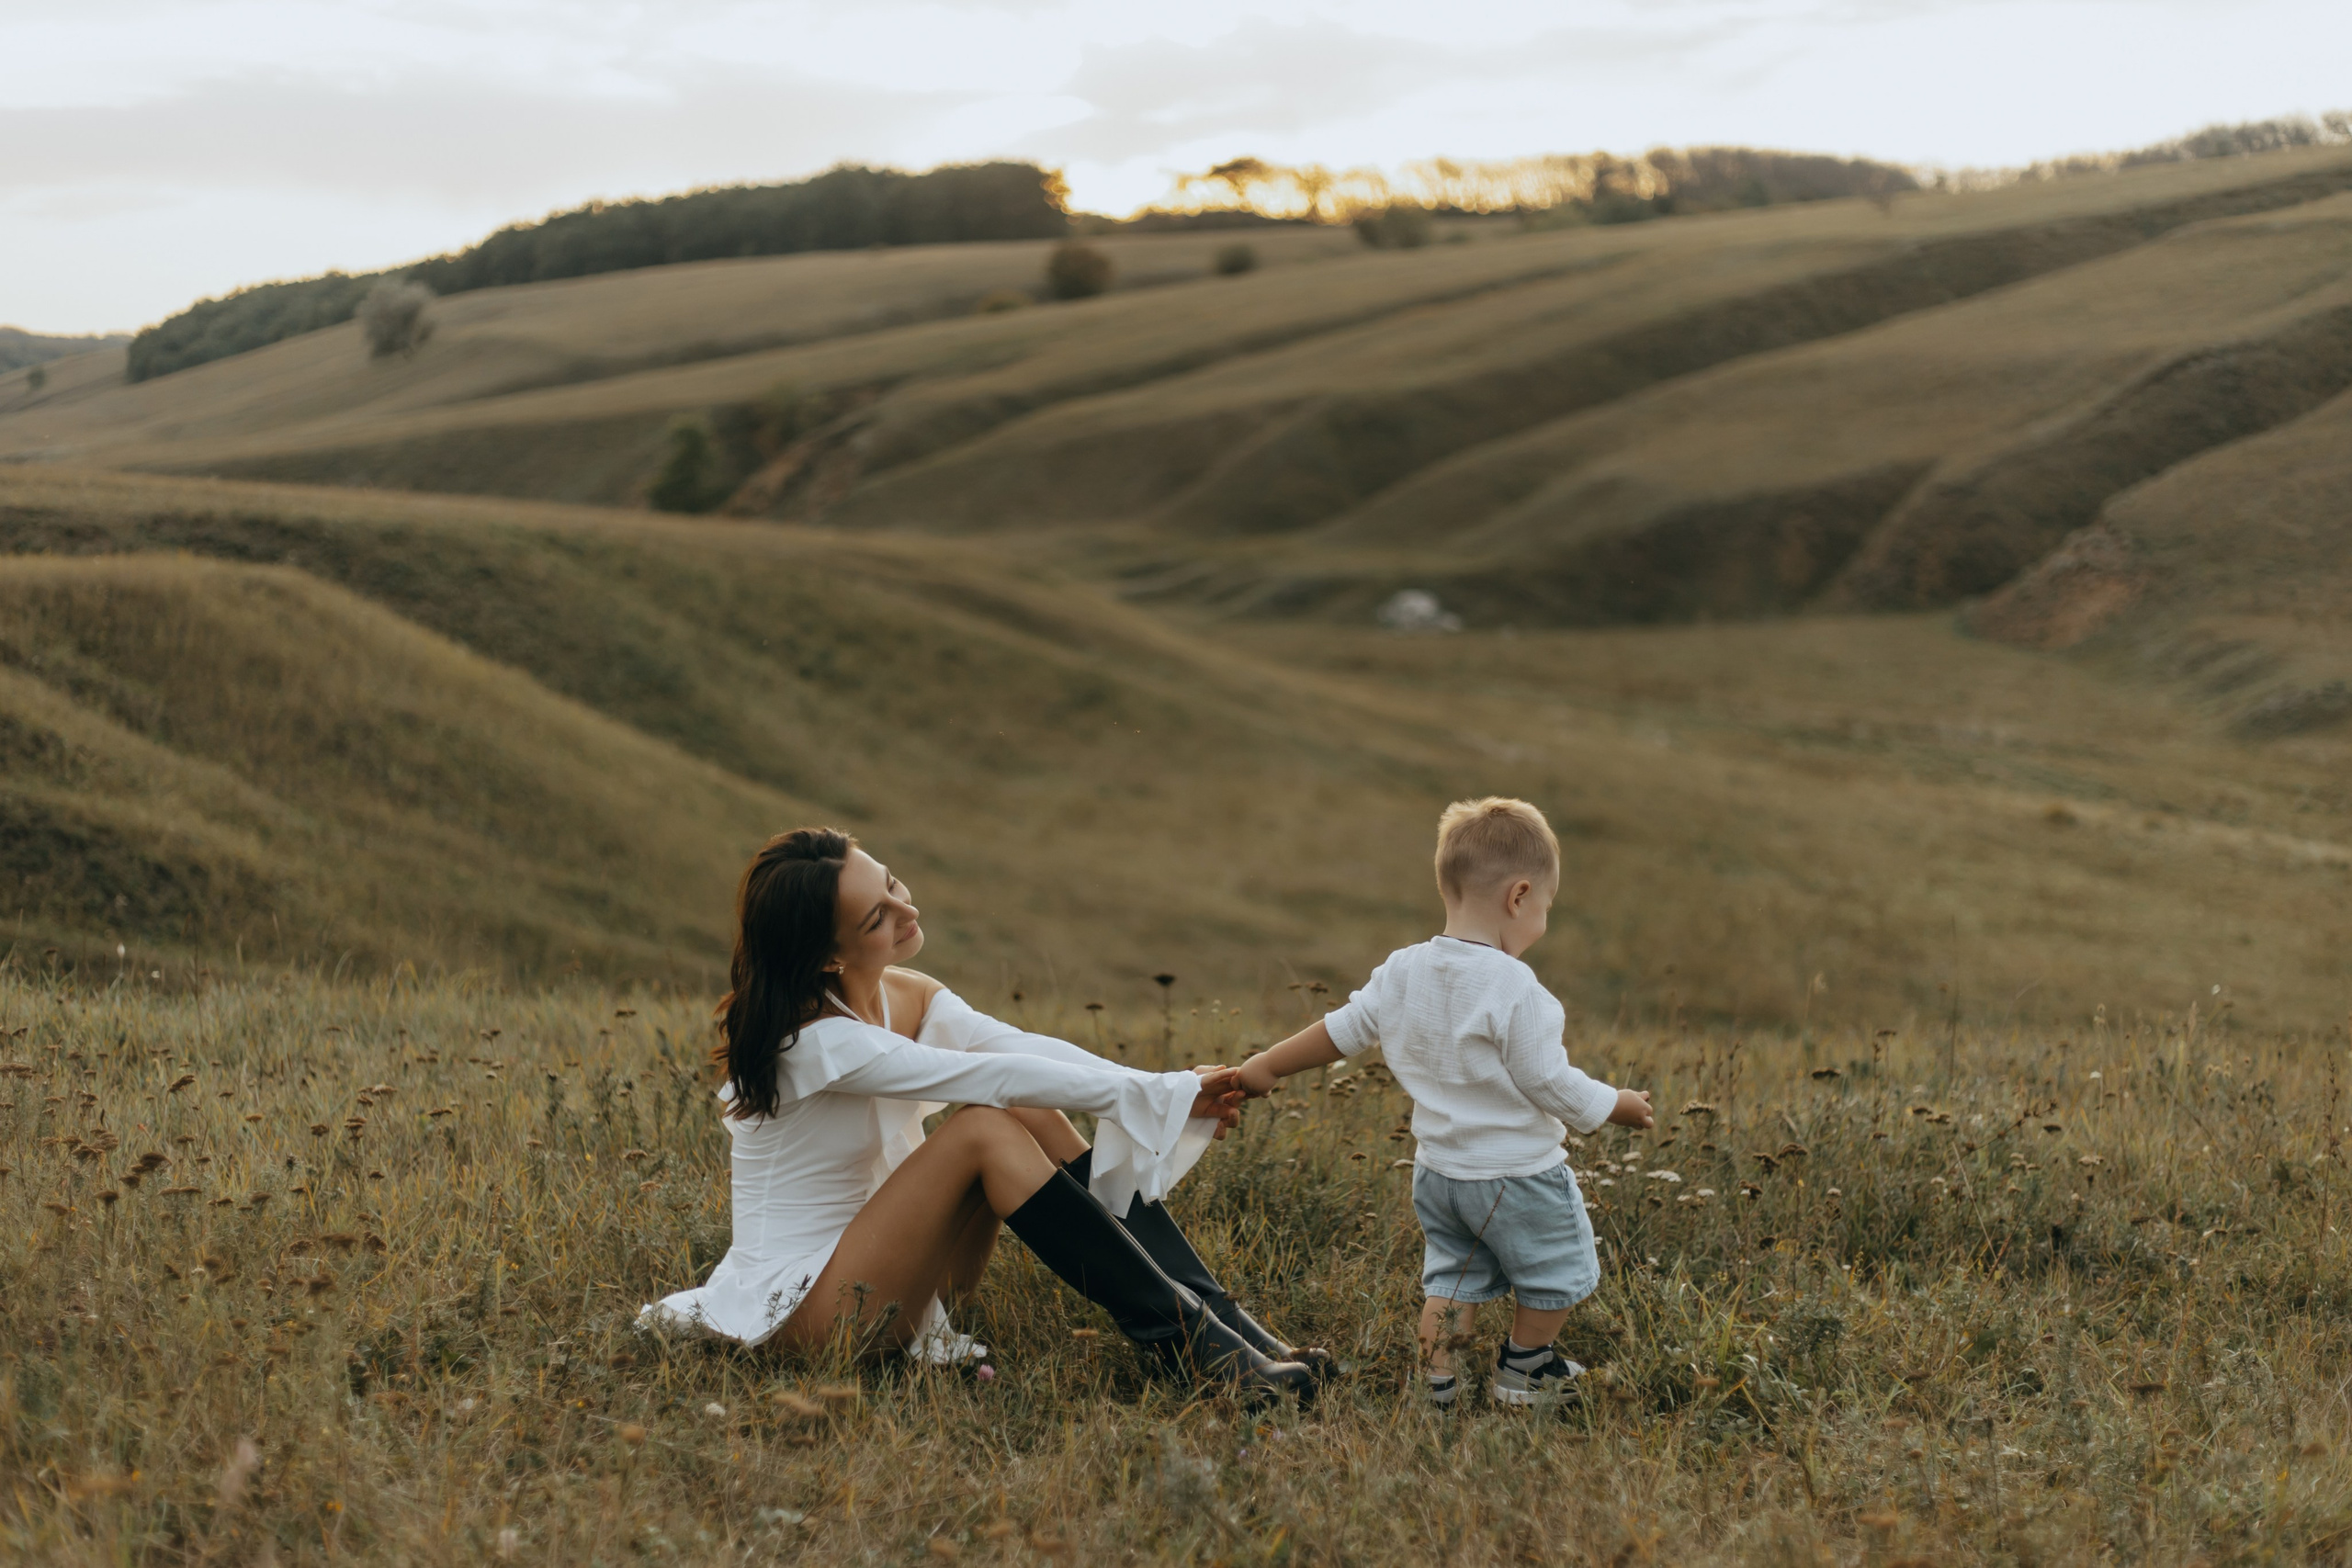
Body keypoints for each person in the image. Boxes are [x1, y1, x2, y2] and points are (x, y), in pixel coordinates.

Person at [638, 827, 1328, 1400]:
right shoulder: (813, 1043)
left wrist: (1165, 1086)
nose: (906, 912)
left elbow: (1019, 1051)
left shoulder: (905, 992)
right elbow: (981, 1074)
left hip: (905, 1275)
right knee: (982, 1124)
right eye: (878, 918)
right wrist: (1161, 1090)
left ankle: (1227, 1325)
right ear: (825, 955)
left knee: (1023, 1103)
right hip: (813, 1310)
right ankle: (1197, 1351)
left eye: (893, 885)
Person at [1237, 797, 1654, 1408]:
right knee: (1557, 1271)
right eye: (1545, 908)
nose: (1542, 922)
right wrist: (1614, 1103)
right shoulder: (1516, 987)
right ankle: (1525, 1371)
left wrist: (1267, 1064)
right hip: (1519, 1176)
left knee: (1452, 1280)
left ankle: (1438, 1387)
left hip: (1439, 1174)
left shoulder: (1404, 969)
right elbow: (1548, 1081)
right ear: (1519, 896)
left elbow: (1344, 1028)